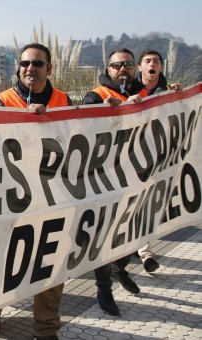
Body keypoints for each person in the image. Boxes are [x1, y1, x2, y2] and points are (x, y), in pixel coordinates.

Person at [0, 43, 72, 340]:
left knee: (51, 260)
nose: (30, 68)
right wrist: (24, 124)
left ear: (50, 68)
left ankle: (46, 327)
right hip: (8, 199)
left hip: (52, 198)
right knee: (0, 258)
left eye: (37, 63)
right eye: (24, 63)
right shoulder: (1, 101)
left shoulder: (64, 100)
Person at [82, 48, 147, 316]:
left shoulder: (144, 95)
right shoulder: (96, 96)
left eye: (129, 64)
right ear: (108, 69)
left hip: (138, 175)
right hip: (105, 178)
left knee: (135, 226)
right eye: (117, 65)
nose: (123, 69)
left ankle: (120, 268)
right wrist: (103, 113)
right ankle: (103, 287)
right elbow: (81, 127)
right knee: (105, 234)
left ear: (135, 68)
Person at [133, 49, 185, 273]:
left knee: (148, 205)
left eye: (156, 61)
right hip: (132, 159)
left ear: (161, 67)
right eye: (147, 61)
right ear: (140, 68)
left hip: (158, 159)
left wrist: (181, 98)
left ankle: (143, 251)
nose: (152, 64)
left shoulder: (169, 93)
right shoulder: (130, 91)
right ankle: (139, 252)